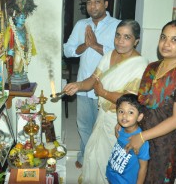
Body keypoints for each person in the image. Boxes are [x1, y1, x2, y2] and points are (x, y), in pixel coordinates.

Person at [63, 19, 148, 183]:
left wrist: (103, 92)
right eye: (118, 35)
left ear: (136, 41)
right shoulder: (109, 54)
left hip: (119, 121)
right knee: (94, 156)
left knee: (111, 163)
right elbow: (94, 79)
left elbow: (131, 101)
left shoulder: (140, 65)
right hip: (102, 114)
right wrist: (78, 85)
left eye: (127, 37)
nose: (120, 41)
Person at [124, 20, 176, 183]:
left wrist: (142, 136)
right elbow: (141, 103)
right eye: (163, 37)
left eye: (174, 40)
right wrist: (126, 120)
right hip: (142, 136)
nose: (166, 44)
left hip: (164, 145)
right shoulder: (152, 67)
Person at [63, 0, 121, 168]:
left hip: (106, 88)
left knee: (103, 128)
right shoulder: (81, 25)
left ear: (105, 3)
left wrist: (95, 45)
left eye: (97, 1)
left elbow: (120, 55)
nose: (93, 6)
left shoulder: (118, 26)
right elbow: (68, 50)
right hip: (82, 85)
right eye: (89, 2)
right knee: (83, 126)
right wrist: (84, 46)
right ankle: (85, 156)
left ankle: (101, 160)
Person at [106, 94, 150, 184]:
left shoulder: (141, 142)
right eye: (121, 111)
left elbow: (143, 167)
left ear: (139, 117)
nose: (124, 116)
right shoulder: (120, 128)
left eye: (130, 112)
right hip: (112, 175)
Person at [3, 0, 37, 90]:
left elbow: (29, 41)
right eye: (21, 18)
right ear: (15, 18)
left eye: (24, 18)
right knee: (16, 67)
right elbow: (6, 42)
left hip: (24, 51)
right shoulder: (11, 29)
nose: (23, 20)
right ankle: (16, 76)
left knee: (22, 67)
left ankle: (21, 76)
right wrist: (8, 52)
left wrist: (28, 49)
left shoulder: (25, 29)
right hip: (16, 51)